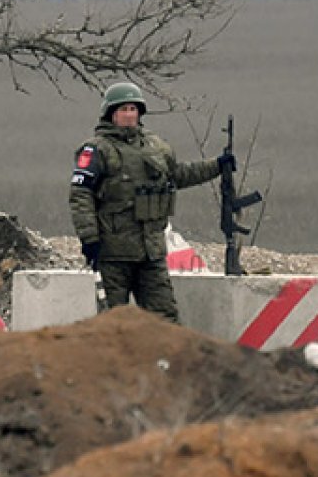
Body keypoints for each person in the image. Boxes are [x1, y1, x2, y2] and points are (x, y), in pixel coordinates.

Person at [69, 81, 234, 322]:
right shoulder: (96, 150)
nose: (129, 115)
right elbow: (81, 194)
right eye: (123, 109)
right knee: (114, 323)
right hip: (113, 253)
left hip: (151, 253)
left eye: (133, 109)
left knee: (164, 319)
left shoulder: (155, 146)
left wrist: (217, 166)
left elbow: (177, 175)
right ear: (111, 113)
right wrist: (89, 239)